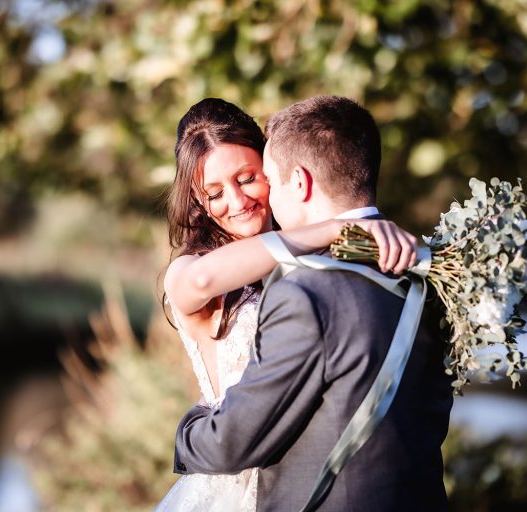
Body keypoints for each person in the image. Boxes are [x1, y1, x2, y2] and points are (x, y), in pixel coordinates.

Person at [172, 96, 454, 511]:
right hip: (232, 480)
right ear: (198, 202)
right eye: (214, 193)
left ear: (274, 170)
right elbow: (201, 280)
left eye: (248, 177)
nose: (236, 201)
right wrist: (338, 225)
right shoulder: (194, 267)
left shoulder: (339, 266)